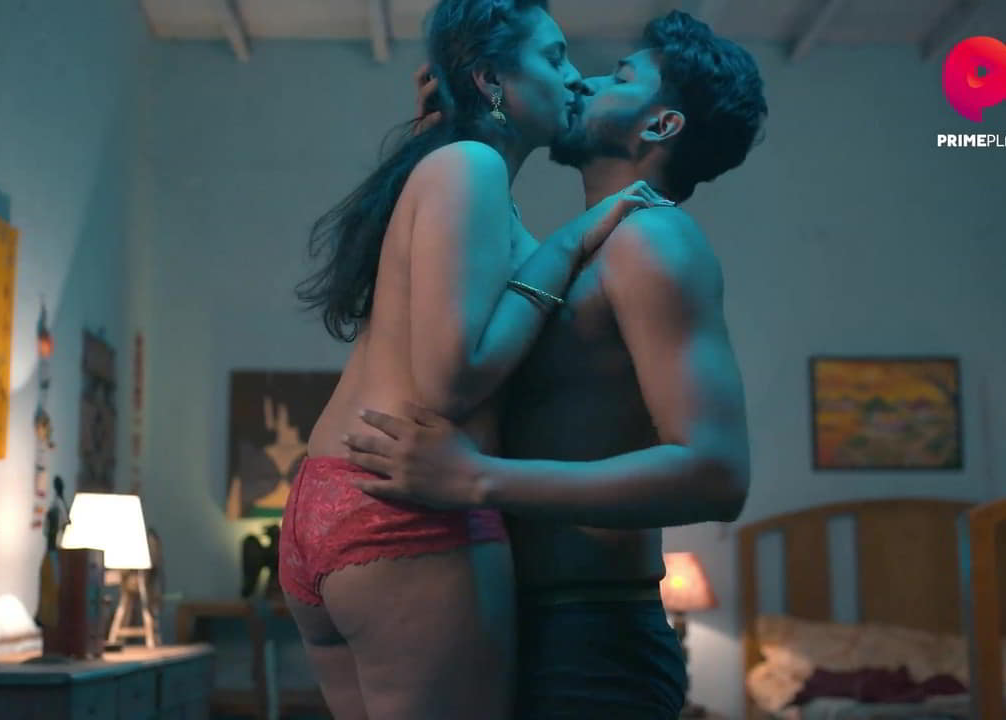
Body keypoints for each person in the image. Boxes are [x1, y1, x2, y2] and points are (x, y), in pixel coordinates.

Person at [342, 10, 767, 719]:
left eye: (619, 77)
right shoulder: (572, 252)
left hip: (594, 636)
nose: (583, 81)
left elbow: (717, 473)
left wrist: (477, 478)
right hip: (512, 616)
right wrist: (447, 132)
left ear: (660, 125)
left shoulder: (655, 240)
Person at [279, 1, 669, 718]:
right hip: (408, 516)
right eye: (553, 57)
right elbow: (449, 380)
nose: (573, 77)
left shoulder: (450, 167)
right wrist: (573, 240)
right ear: (491, 80)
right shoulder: (473, 166)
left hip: (327, 504)